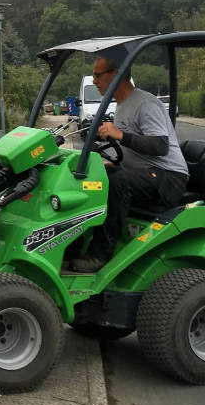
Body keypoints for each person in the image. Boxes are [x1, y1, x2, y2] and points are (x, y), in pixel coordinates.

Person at [70, 56, 190, 273]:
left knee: (119, 182)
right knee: (93, 178)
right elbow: (132, 150)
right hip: (145, 173)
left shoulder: (145, 103)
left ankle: (99, 256)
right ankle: (72, 249)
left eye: (98, 75)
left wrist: (120, 135)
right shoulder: (122, 105)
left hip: (169, 177)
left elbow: (160, 145)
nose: (94, 81)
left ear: (117, 74)